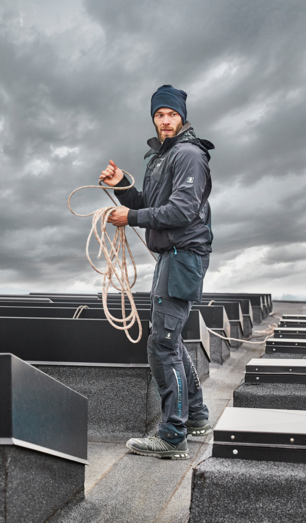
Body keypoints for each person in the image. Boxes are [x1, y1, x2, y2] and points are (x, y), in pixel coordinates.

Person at [99, 85, 214, 460]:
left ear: (182, 116)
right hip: (172, 256)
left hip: (183, 255)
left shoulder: (189, 155)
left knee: (162, 343)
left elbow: (181, 210)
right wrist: (122, 189)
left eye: (171, 114)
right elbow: (152, 204)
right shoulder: (161, 157)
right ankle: (195, 416)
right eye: (159, 115)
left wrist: (130, 217)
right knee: (172, 338)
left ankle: (172, 434)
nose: (165, 120)